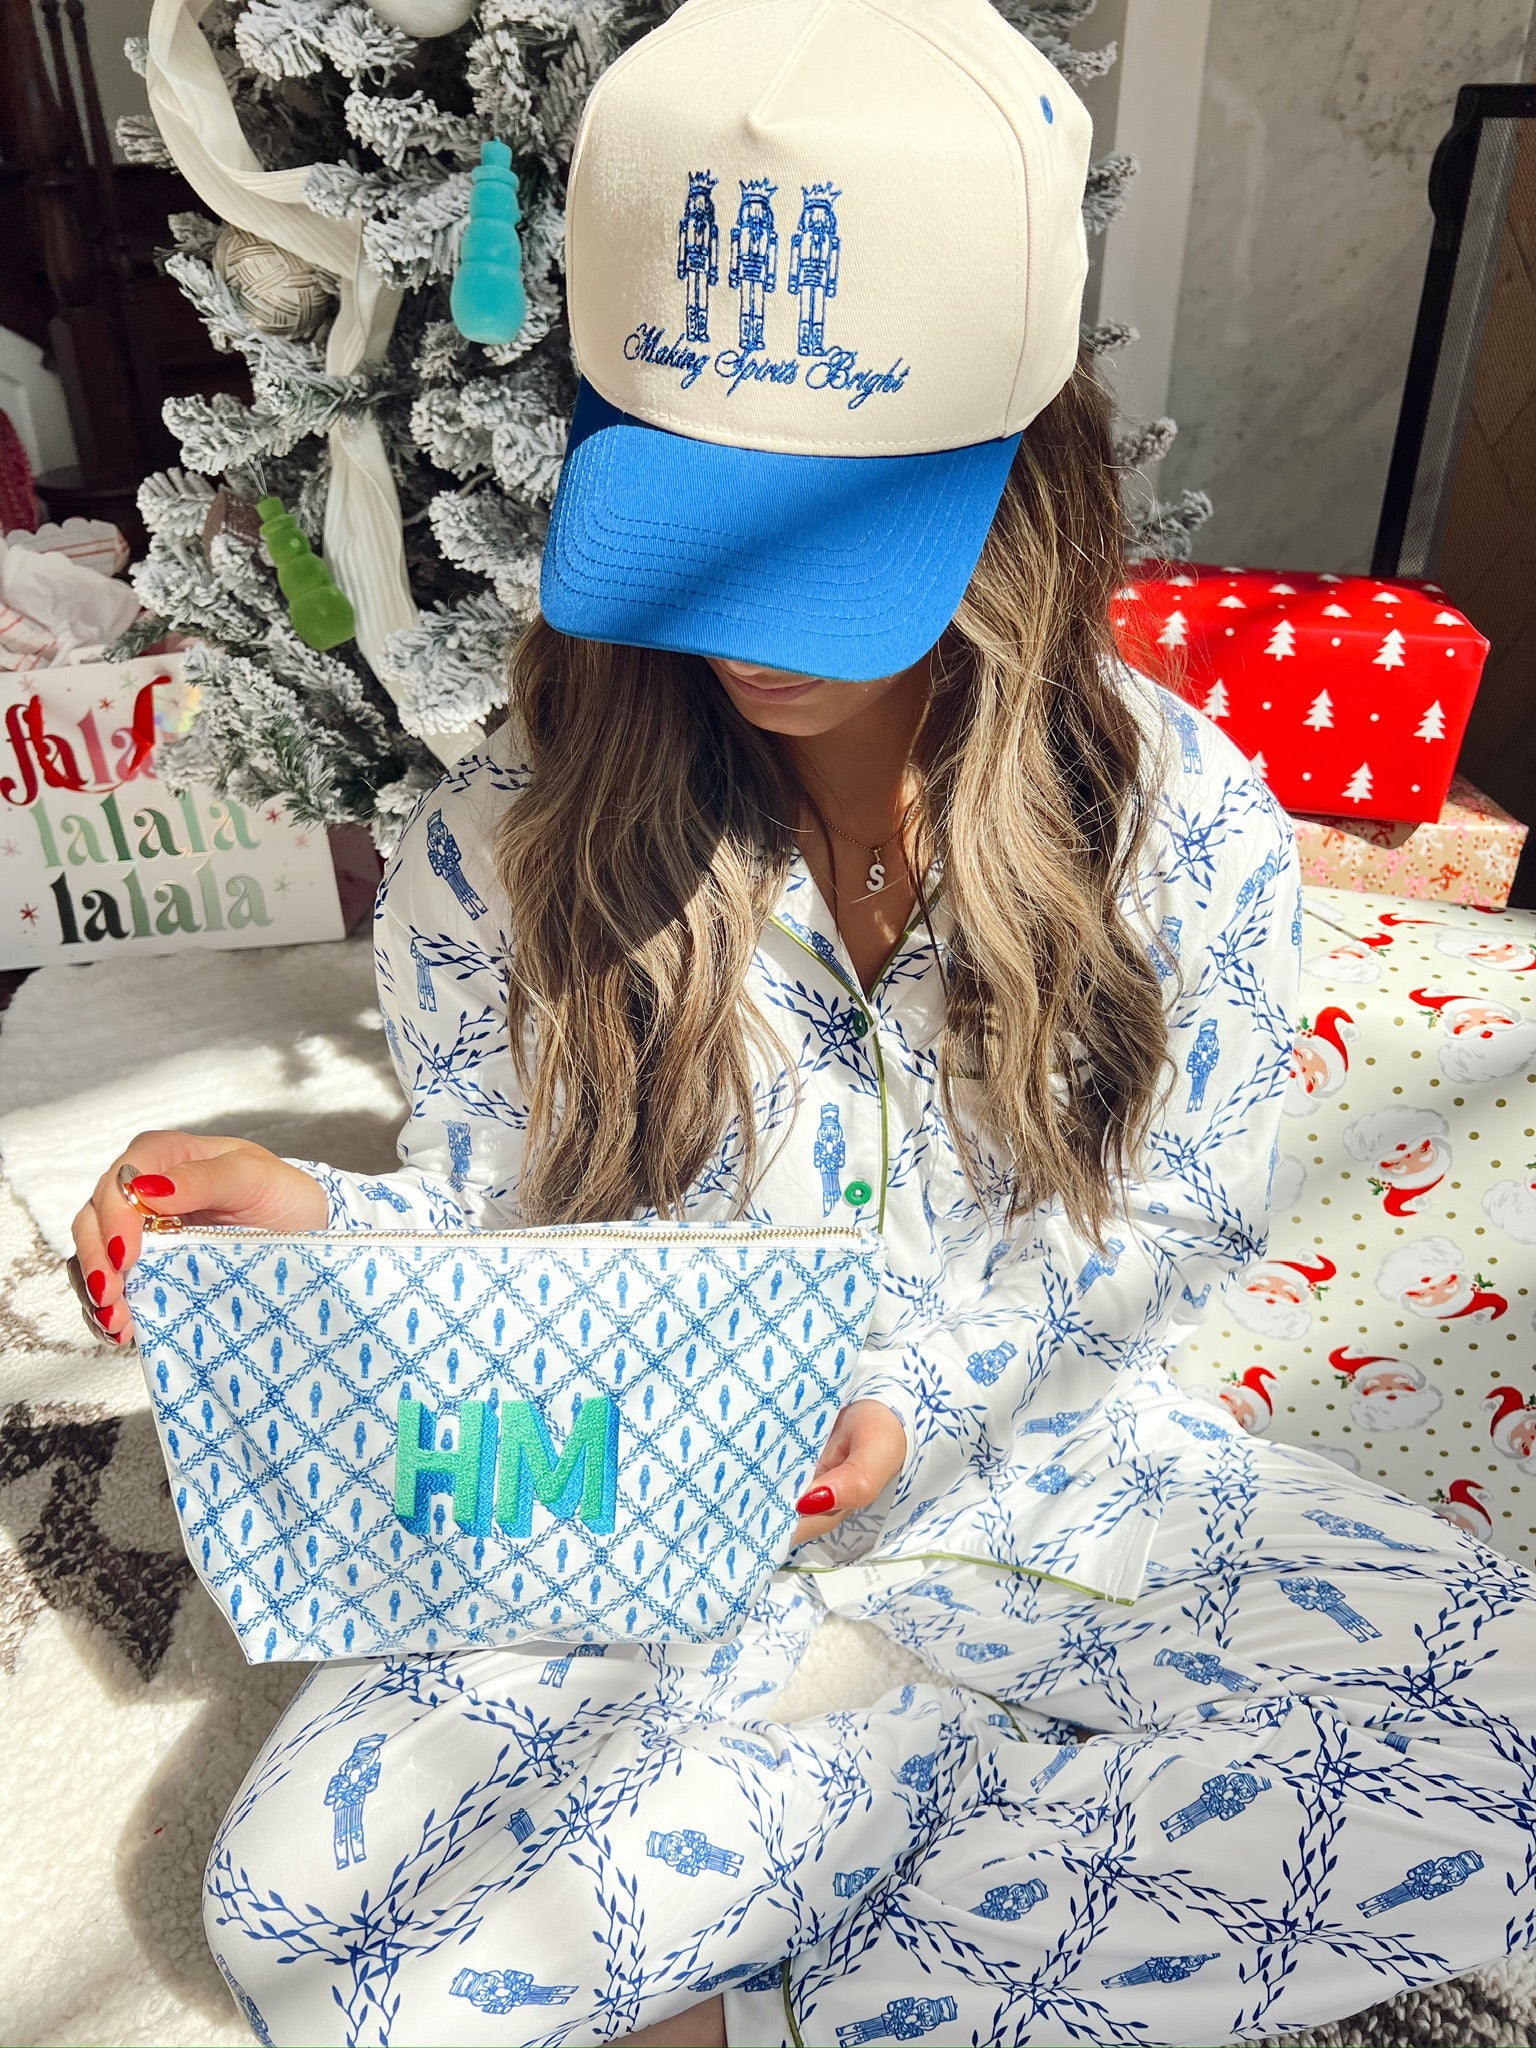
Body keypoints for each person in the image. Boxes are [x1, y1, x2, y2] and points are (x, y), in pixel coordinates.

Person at [71, 2, 1536, 2044]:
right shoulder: (510, 828)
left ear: (1025, 485)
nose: (747, 626)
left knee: (1495, 1764)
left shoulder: (1177, 814)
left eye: (831, 541)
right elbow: (510, 1225)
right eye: (688, 518)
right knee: (302, 1910)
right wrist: (308, 1222)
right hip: (627, 1481)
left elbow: (1173, 1221)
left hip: (1040, 1475)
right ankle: (833, 1858)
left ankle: (809, 1912)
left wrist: (919, 1407)